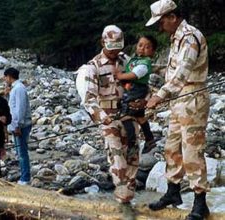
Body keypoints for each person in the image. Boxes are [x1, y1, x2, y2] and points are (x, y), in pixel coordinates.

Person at [145, 0, 210, 219]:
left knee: (192, 150)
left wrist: (159, 96)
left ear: (172, 17)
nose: (159, 28)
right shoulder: (176, 38)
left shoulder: (189, 37)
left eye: (161, 23)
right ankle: (173, 192)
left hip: (193, 99)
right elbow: (173, 71)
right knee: (172, 146)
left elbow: (183, 73)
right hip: (179, 99)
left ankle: (200, 202)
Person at [76, 25, 140, 203]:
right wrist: (102, 117)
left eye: (118, 47)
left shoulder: (127, 61)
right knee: (117, 156)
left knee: (133, 155)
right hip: (108, 119)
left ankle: (130, 195)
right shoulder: (92, 67)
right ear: (102, 43)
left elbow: (138, 83)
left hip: (129, 115)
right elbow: (88, 100)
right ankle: (122, 197)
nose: (114, 52)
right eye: (111, 48)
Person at [114, 35, 158, 154]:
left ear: (152, 52)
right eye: (140, 45)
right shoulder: (135, 60)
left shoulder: (144, 63)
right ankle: (149, 139)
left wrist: (120, 76)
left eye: (147, 47)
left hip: (136, 90)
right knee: (140, 117)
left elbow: (135, 75)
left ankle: (132, 143)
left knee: (125, 115)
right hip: (136, 89)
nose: (142, 48)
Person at [4, 68, 32, 185]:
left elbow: (20, 109)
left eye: (5, 77)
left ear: (9, 77)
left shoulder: (19, 89)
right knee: (19, 152)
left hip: (21, 125)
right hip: (17, 124)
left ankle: (25, 177)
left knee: (22, 152)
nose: (5, 80)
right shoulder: (15, 88)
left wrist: (17, 125)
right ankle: (23, 174)